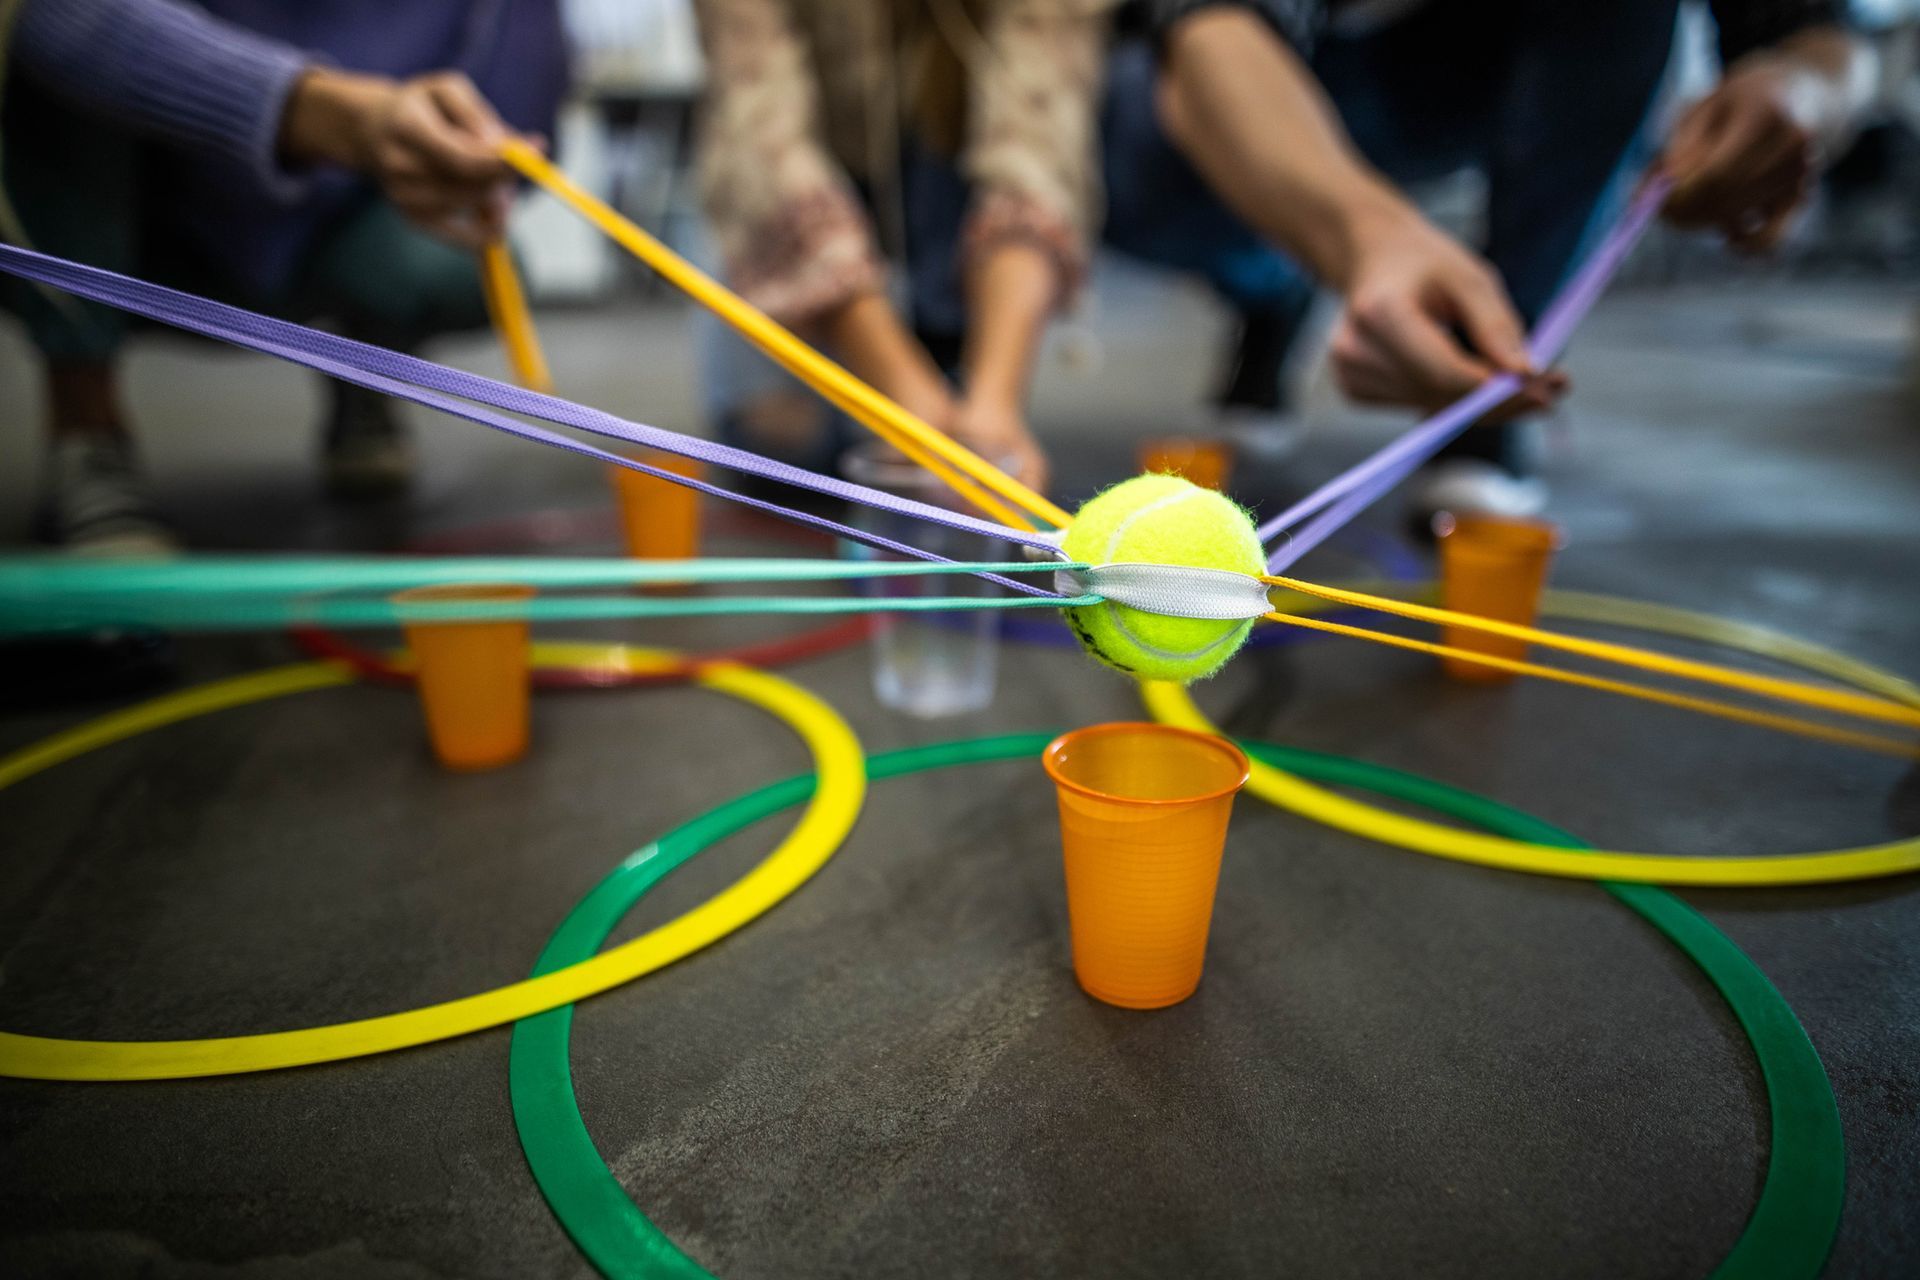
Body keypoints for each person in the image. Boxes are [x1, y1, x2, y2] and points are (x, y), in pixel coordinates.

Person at [1103, 0, 1866, 523]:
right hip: (1280, 70)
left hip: (1493, 73)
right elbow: (1206, 27)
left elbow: (1826, 34)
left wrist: (1803, 97)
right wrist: (1359, 234)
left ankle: (1495, 368)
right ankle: (1276, 285)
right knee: (1128, 127)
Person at [0, 0, 568, 551]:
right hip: (151, 202)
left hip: (335, 201)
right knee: (40, 73)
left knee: (457, 266)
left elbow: (526, 92)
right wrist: (319, 113)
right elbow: (55, 16)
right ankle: (86, 430)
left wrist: (462, 157)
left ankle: (366, 369)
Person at [691, 0, 1115, 495]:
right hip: (808, 191)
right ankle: (922, 376)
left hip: (951, 190)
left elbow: (1040, 142)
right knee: (778, 447)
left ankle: (951, 358)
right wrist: (905, 392)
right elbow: (758, 132)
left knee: (922, 449)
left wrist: (994, 403)